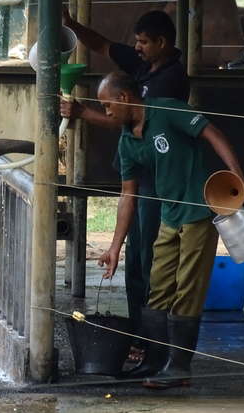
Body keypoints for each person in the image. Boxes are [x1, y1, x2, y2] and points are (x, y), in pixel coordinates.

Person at [96, 72, 244, 389]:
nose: (106, 112)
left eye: (106, 104)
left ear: (124, 97)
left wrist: (237, 175)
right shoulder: (127, 140)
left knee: (187, 289)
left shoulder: (168, 110)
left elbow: (212, 133)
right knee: (158, 287)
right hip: (169, 215)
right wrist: (114, 247)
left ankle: (179, 367)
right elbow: (128, 194)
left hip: (197, 211)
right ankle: (156, 360)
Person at [60, 9, 189, 364]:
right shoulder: (144, 64)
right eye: (137, 41)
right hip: (137, 175)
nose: (138, 47)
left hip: (157, 178)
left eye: (144, 42)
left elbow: (126, 117)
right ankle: (139, 333)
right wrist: (71, 26)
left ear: (161, 43)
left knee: (148, 260)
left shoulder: (170, 80)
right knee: (135, 258)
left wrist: (84, 113)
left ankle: (151, 341)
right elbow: (102, 44)